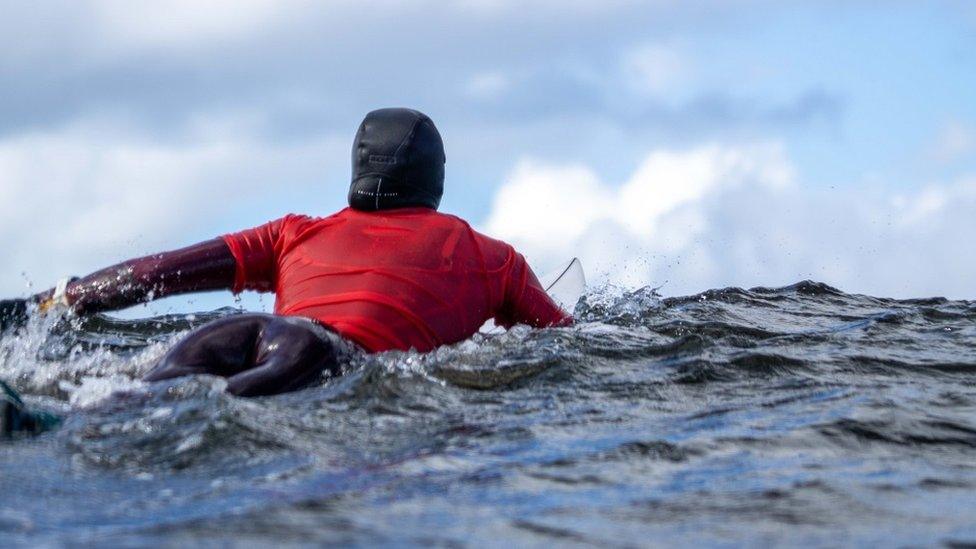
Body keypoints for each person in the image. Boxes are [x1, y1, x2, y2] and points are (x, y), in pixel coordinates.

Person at [0, 108, 572, 410]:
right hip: (326, 358)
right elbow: (568, 342)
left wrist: (51, 302)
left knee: (133, 398)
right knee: (209, 409)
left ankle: (44, 419)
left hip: (246, 330)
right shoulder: (493, 258)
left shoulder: (292, 233)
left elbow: (160, 273)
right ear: (436, 180)